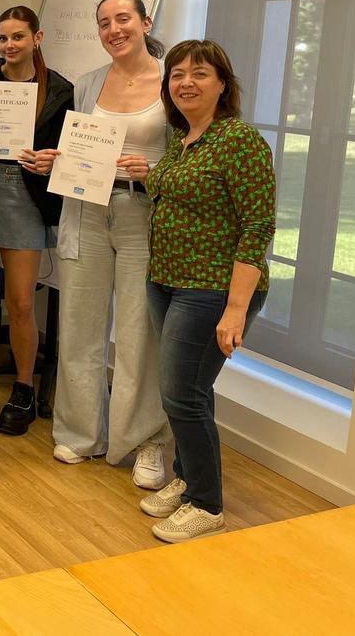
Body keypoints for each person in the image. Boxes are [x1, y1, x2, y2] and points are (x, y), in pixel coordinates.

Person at [140, 40, 274, 542]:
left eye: (199, 74)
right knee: (190, 392)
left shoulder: (239, 140)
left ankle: (207, 504)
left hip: (213, 288)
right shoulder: (182, 139)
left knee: (182, 395)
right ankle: (189, 479)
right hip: (167, 282)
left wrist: (235, 309)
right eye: (176, 75)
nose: (186, 83)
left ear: (222, 83)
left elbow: (258, 228)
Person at [52, 0, 173, 489]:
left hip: (144, 214)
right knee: (78, 326)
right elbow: (77, 150)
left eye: (123, 19)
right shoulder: (88, 85)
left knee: (138, 333)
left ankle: (144, 440)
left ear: (145, 22)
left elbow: (192, 154)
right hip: (86, 208)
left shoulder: (173, 81)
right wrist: (52, 161)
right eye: (104, 23)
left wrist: (155, 170)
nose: (114, 30)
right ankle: (81, 433)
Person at [0, 6, 73, 435]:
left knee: (22, 301)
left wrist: (51, 160)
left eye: (18, 37)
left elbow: (70, 152)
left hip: (26, 196)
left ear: (37, 38)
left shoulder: (59, 89)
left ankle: (23, 387)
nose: (9, 46)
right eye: (3, 38)